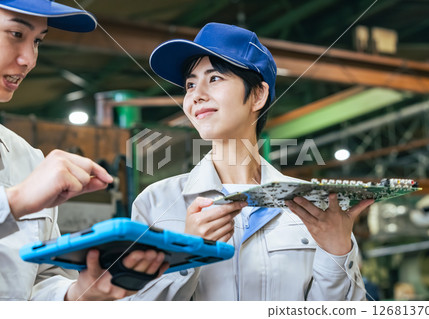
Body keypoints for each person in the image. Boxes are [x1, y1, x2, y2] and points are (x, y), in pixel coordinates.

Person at [126, 22, 374, 301]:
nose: (196, 95)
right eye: (190, 84)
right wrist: (186, 254)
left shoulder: (315, 205)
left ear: (258, 95)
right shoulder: (156, 204)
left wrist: (337, 252)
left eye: (215, 78)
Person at [0, 0, 167, 301]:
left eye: (37, 41)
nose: (29, 59)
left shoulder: (27, 159)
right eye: (15, 34)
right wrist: (15, 201)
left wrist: (78, 293)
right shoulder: (32, 180)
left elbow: (41, 279)